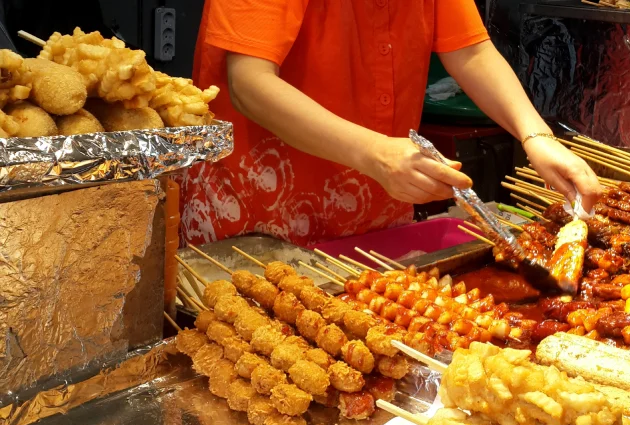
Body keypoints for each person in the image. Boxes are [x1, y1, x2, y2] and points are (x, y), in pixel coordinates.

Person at [183, 0, 602, 246]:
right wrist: (375, 152)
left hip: (375, 206)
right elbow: (249, 83)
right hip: (260, 215)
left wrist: (536, 135)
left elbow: (470, 51)